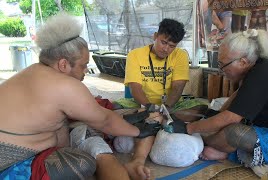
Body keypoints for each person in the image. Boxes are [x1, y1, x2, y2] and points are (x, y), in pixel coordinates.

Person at [0, 13, 160, 179]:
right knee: (81, 163)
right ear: (63, 64)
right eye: (83, 66)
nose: (86, 71)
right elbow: (105, 120)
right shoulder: (64, 85)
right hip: (8, 162)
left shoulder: (32, 70)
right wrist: (139, 131)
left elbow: (88, 115)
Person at [168, 29, 268, 167]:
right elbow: (235, 100)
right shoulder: (258, 67)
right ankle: (210, 142)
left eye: (222, 64)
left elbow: (231, 118)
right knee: (210, 114)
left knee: (235, 133)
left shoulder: (262, 74)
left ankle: (220, 150)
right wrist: (214, 115)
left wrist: (189, 129)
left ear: (242, 62)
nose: (221, 70)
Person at [123, 18, 207, 179]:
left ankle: (155, 122)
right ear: (155, 36)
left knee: (202, 108)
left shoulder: (180, 55)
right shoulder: (135, 55)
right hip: (143, 102)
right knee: (114, 108)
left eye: (172, 46)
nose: (167, 49)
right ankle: (156, 129)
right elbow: (135, 87)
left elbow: (178, 86)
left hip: (170, 104)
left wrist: (166, 107)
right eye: (163, 42)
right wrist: (149, 107)